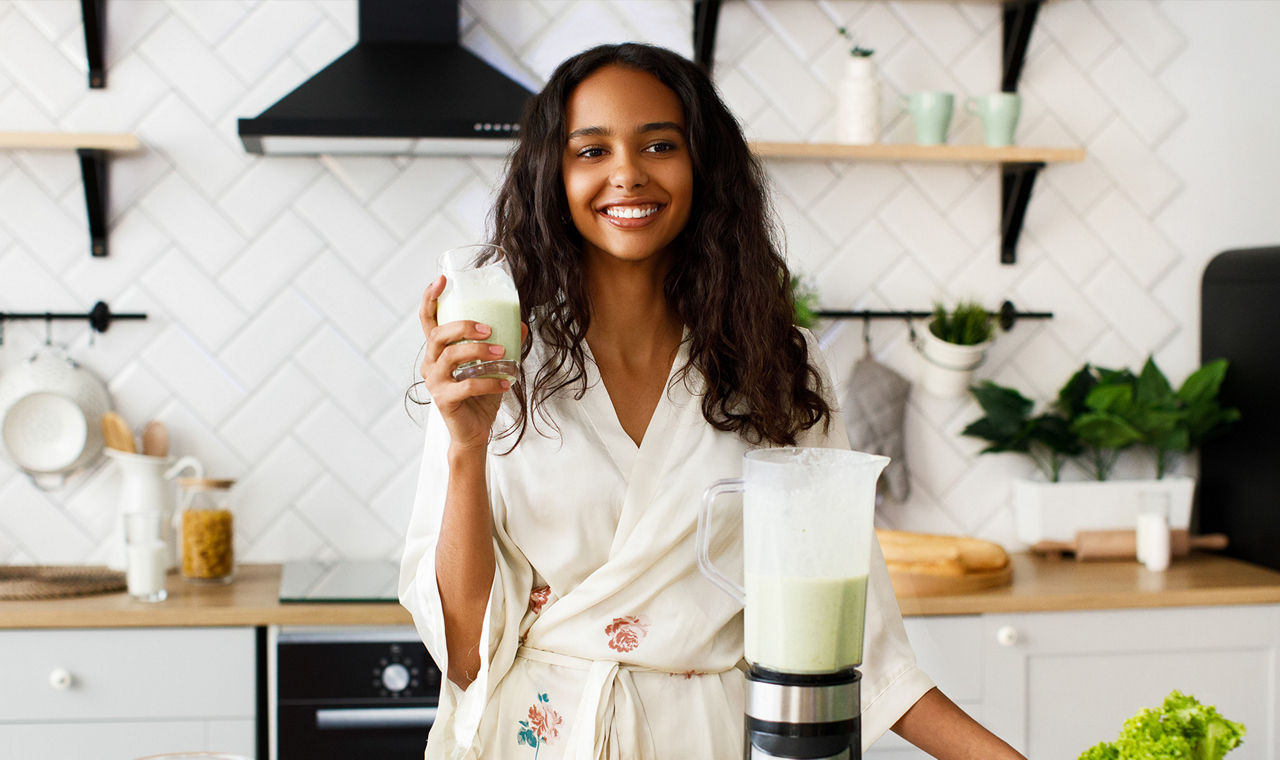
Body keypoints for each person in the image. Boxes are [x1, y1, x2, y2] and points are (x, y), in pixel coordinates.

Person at [400, 42, 1025, 760]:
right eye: (591, 150)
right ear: (553, 176)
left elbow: (859, 644)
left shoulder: (776, 367)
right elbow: (466, 653)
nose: (627, 174)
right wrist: (465, 445)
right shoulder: (499, 368)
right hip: (542, 736)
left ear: (703, 164)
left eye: (659, 144)